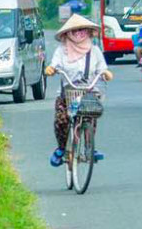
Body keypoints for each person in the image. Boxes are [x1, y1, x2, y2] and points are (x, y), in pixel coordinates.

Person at [46, 13, 111, 167]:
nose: (78, 33)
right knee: (61, 120)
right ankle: (61, 148)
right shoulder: (62, 50)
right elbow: (54, 64)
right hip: (68, 94)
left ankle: (90, 147)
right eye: (74, 30)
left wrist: (106, 73)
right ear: (67, 33)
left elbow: (102, 68)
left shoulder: (94, 51)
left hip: (88, 92)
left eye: (82, 30)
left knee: (90, 116)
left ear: (88, 32)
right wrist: (51, 68)